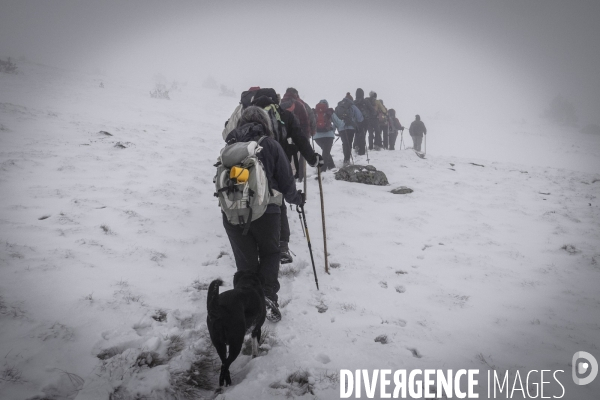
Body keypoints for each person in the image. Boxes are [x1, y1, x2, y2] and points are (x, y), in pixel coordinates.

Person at [222, 106, 305, 322]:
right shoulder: (270, 144)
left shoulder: (231, 146)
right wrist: (298, 199)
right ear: (265, 123)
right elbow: (287, 184)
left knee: (246, 264)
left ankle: (246, 306)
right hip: (266, 212)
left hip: (233, 214)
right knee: (270, 253)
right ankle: (267, 297)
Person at [250, 88, 323, 264]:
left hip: (251, 166)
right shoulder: (283, 116)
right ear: (275, 99)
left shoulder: (248, 116)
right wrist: (312, 159)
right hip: (278, 164)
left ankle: (254, 244)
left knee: (252, 200)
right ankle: (281, 245)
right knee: (278, 202)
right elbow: (300, 138)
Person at [280, 87, 314, 182]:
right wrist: (307, 136)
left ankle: (287, 177)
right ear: (296, 94)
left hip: (283, 136)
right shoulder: (300, 104)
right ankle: (299, 176)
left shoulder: (279, 103)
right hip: (298, 135)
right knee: (300, 157)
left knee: (285, 158)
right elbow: (306, 120)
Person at [332, 93, 363, 166]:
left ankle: (346, 159)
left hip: (341, 128)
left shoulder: (338, 106)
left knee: (345, 143)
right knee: (349, 143)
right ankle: (347, 159)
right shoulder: (352, 105)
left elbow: (335, 118)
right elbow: (360, 117)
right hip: (351, 127)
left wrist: (333, 129)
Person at [312, 100, 338, 172]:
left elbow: (310, 123)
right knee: (326, 151)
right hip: (328, 135)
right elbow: (338, 122)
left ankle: (331, 166)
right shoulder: (329, 112)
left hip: (317, 136)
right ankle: (322, 170)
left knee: (325, 151)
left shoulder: (314, 112)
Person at [353, 88, 376, 156]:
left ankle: (356, 146)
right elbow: (373, 111)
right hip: (365, 121)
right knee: (363, 134)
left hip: (356, 121)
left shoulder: (354, 102)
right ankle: (361, 151)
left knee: (357, 134)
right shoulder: (365, 101)